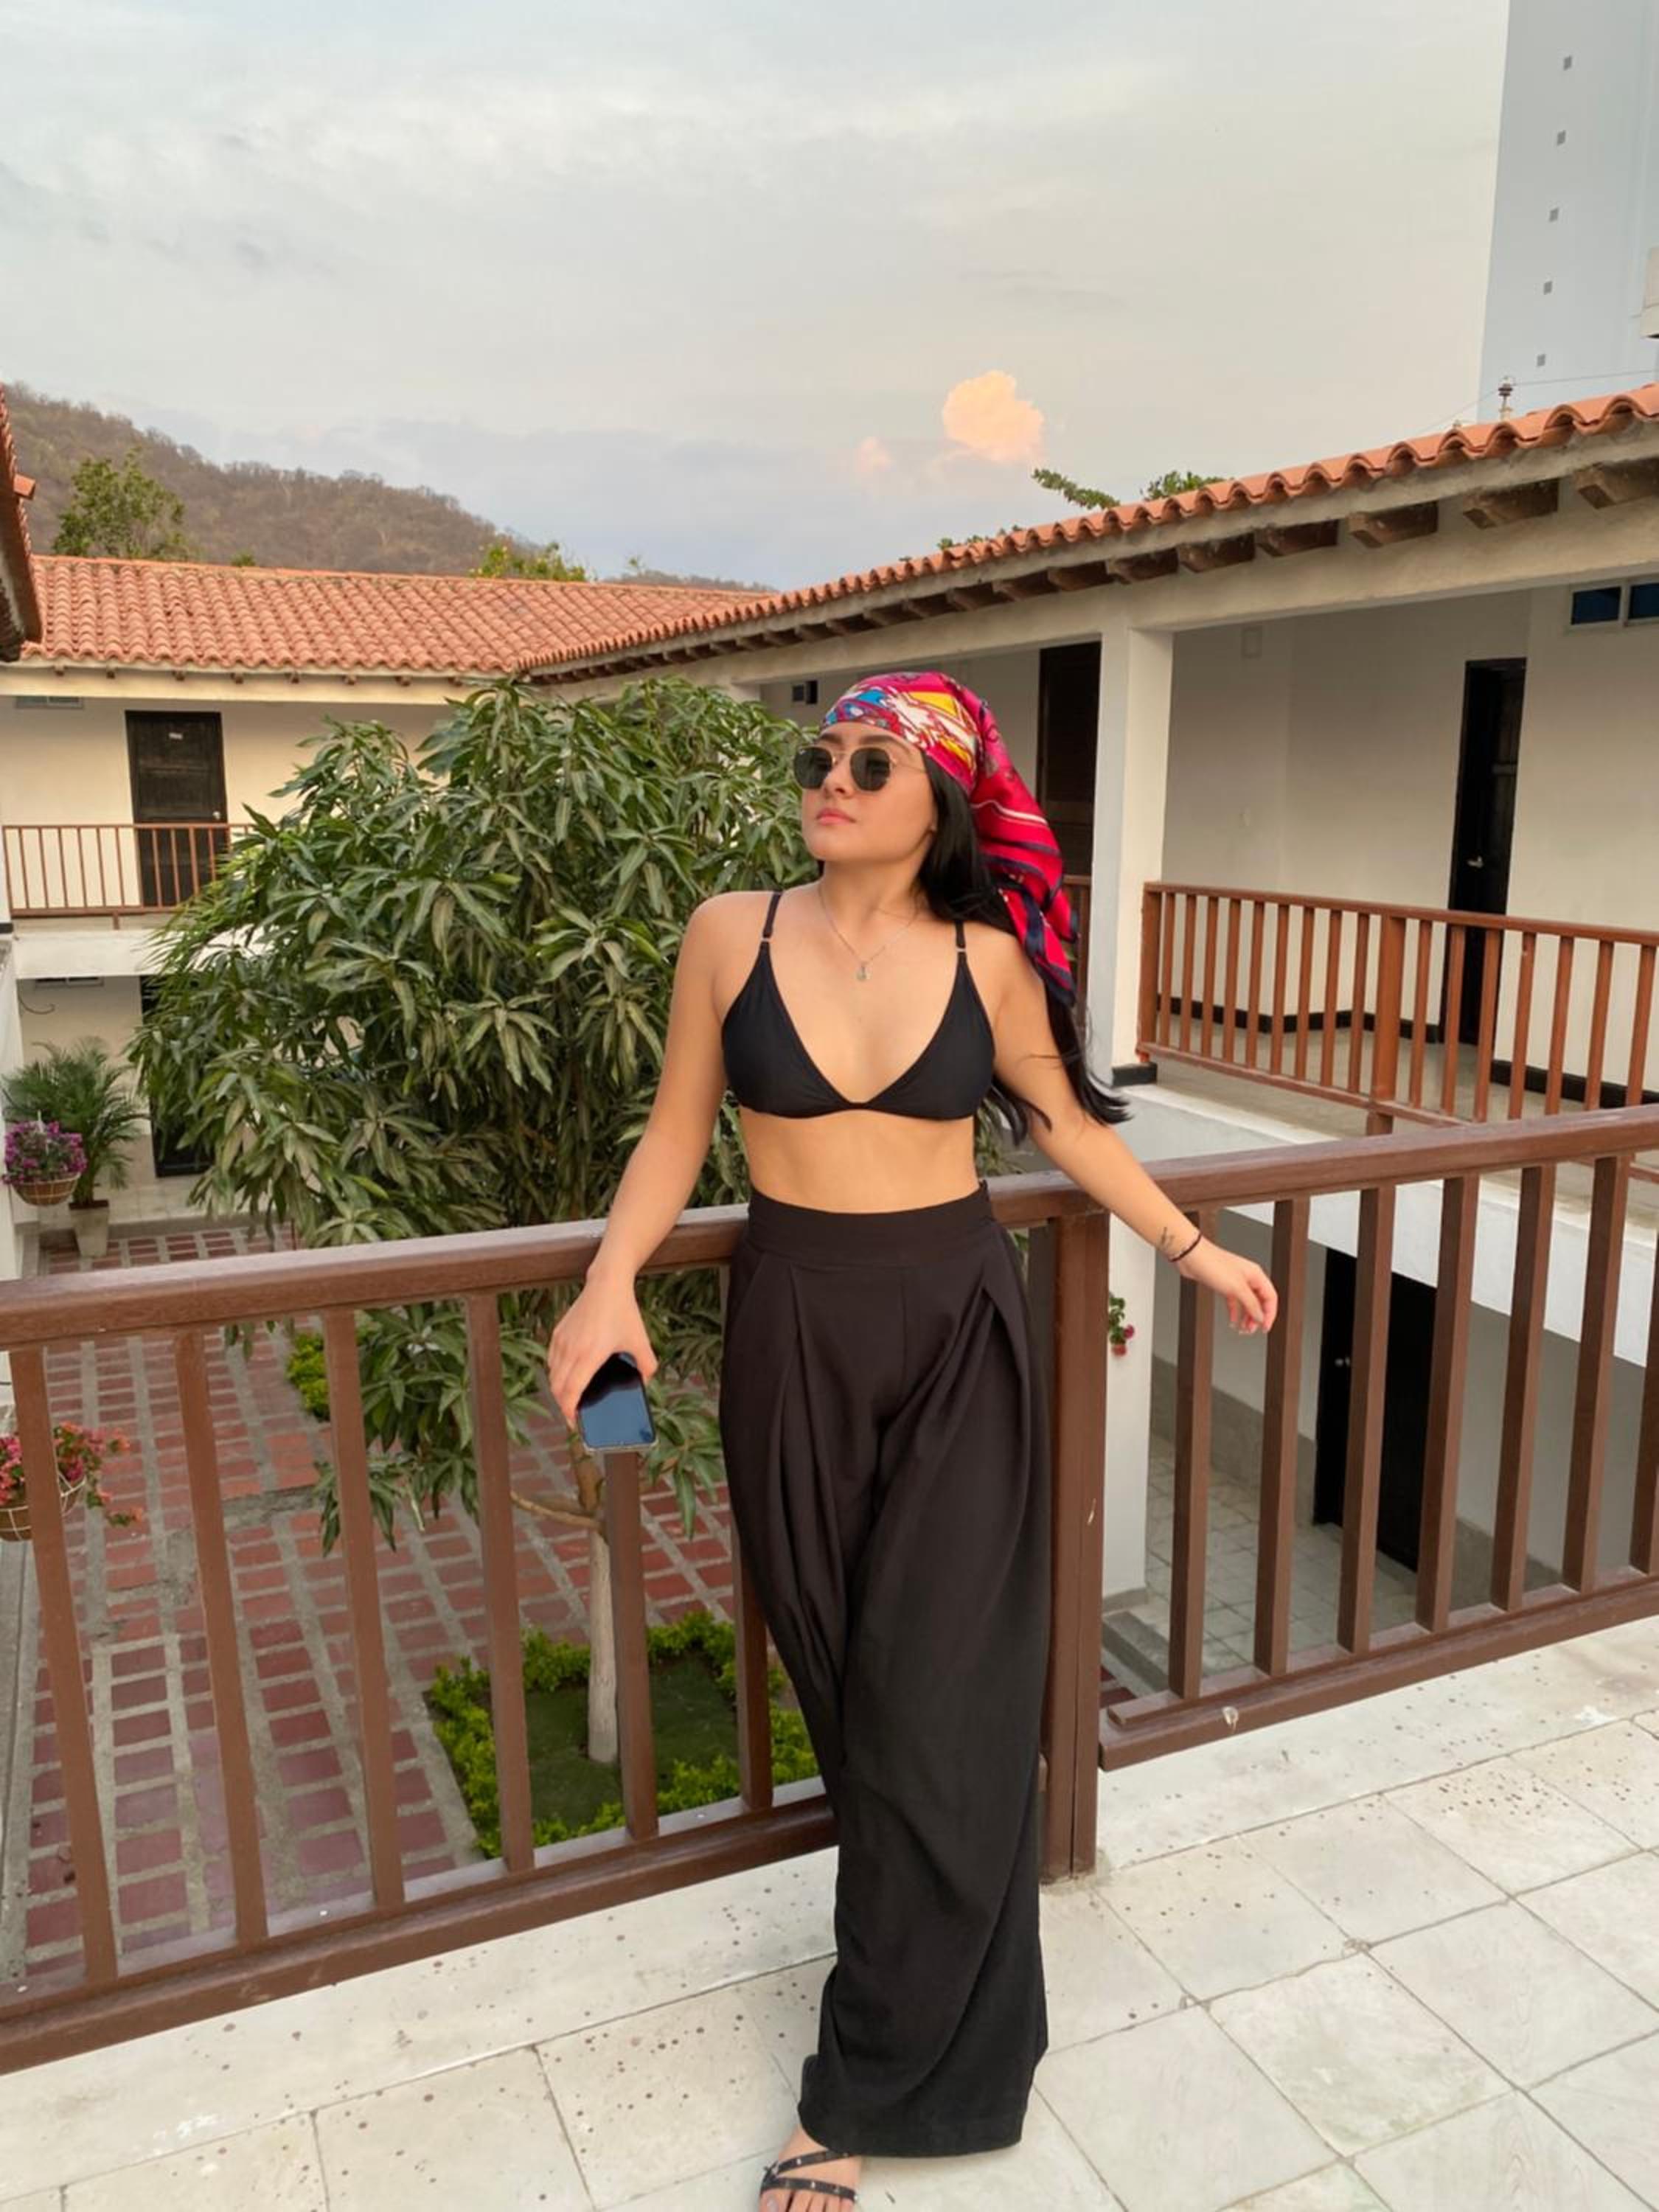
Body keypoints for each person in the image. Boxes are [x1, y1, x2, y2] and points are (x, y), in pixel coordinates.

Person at [546, 669, 1278, 2211]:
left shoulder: (988, 962)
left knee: (937, 1704)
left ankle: (856, 2090)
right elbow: (677, 1129)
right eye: (821, 756)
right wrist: (609, 1282)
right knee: (854, 1698)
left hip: (958, 1331)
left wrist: (1194, 1249)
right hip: (793, 1329)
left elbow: (1064, 1128)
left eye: (872, 763)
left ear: (939, 800)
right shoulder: (729, 934)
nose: (833, 780)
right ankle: (960, 2013)